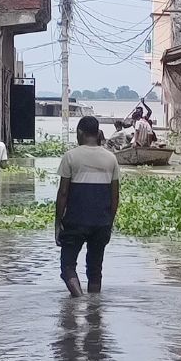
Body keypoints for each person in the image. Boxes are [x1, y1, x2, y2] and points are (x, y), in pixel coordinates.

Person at [55, 116, 122, 297]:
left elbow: (63, 193)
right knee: (95, 270)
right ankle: (94, 310)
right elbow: (114, 195)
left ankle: (78, 299)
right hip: (101, 221)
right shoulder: (111, 159)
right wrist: (109, 223)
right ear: (97, 133)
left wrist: (57, 223)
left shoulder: (71, 156)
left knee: (67, 266)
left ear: (80, 133)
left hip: (75, 220)